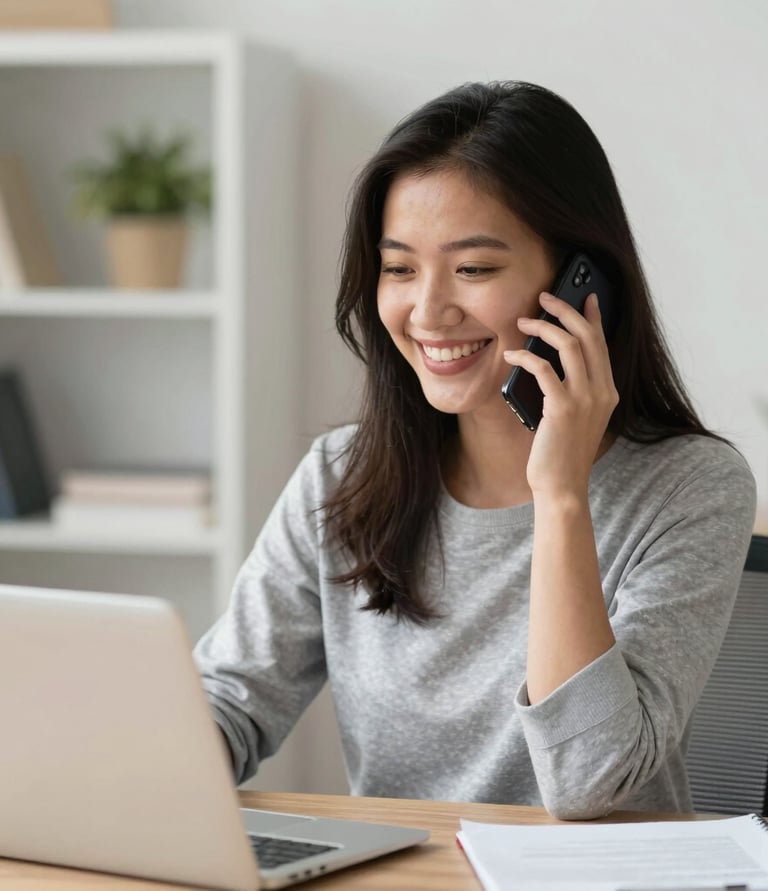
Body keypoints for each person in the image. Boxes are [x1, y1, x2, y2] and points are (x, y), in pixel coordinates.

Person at [194, 81, 756, 819]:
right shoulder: (342, 477)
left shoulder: (692, 487)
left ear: (582, 288)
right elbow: (231, 702)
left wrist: (560, 495)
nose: (427, 311)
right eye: (398, 268)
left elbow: (592, 783)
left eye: (474, 269)